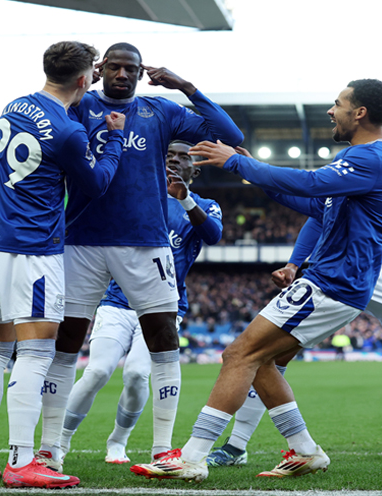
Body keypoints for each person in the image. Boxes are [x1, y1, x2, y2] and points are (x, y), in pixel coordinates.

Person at [207, 86, 382, 468]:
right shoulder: (354, 155)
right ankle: (236, 446)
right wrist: (296, 262)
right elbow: (321, 212)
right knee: (270, 354)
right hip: (345, 266)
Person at [130, 79, 382, 481]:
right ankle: (306, 451)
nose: (331, 110)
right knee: (260, 361)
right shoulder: (368, 160)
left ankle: (191, 456)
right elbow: (313, 203)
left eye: (338, 103)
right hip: (335, 282)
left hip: (332, 283)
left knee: (238, 355)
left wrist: (237, 163)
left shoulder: (371, 159)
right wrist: (251, 169)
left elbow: (309, 184)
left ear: (359, 113)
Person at [37, 42, 242, 472]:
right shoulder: (79, 106)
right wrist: (76, 87)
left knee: (164, 341)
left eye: (131, 68)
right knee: (68, 343)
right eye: (114, 67)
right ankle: (51, 449)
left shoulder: (160, 111)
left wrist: (184, 85)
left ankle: (163, 449)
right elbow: (44, 117)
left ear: (140, 72)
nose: (123, 74)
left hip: (145, 242)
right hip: (82, 241)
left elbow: (231, 136)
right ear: (101, 68)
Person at [0, 40, 126, 489]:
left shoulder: (15, 103)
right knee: (37, 353)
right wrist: (114, 137)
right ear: (82, 79)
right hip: (31, 248)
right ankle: (22, 460)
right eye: (93, 73)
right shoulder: (69, 130)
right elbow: (95, 183)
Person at [56, 141, 223, 465]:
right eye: (168, 156)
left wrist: (184, 197)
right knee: (97, 372)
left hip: (163, 308)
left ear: (195, 170)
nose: (174, 161)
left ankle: (118, 441)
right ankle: (59, 442)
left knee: (135, 374)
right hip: (117, 302)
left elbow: (213, 234)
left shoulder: (203, 205)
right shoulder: (134, 197)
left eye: (182, 158)